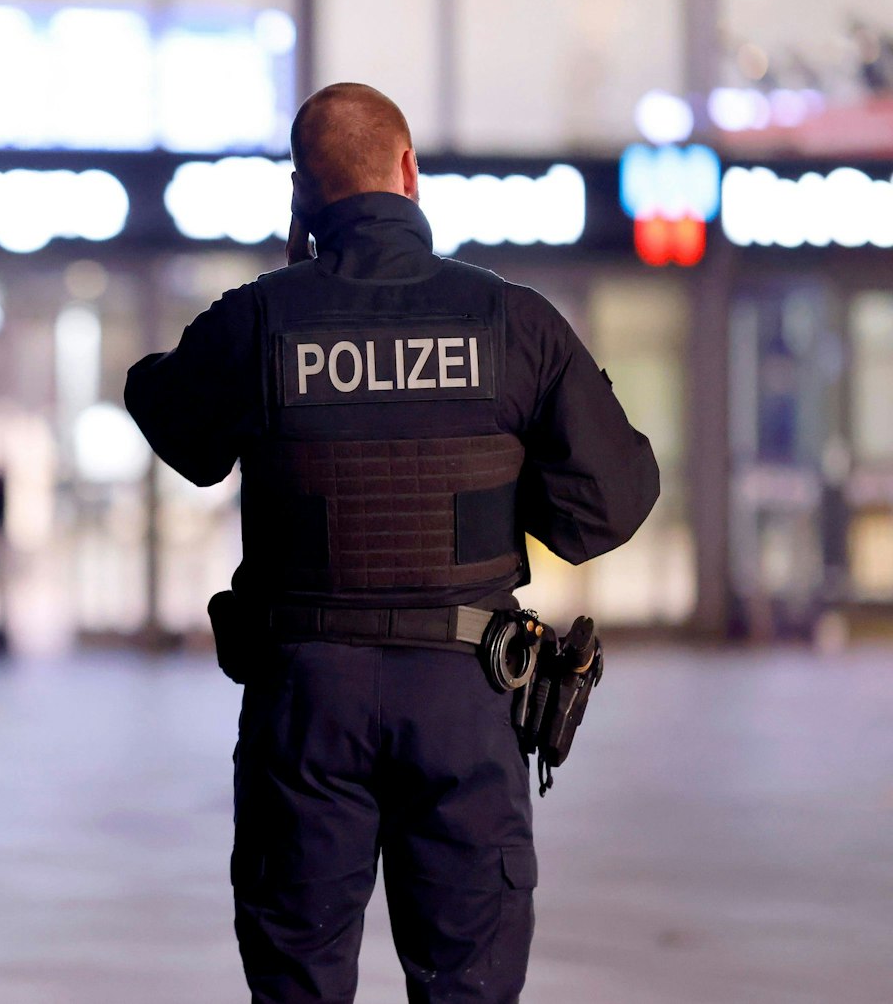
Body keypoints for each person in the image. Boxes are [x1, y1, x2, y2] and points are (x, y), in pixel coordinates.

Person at [125, 83, 660, 1003]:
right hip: (466, 689)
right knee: (466, 982)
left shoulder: (262, 318)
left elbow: (168, 415)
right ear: (409, 170)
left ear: (302, 195)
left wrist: (288, 276)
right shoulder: (512, 321)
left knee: (299, 978)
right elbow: (611, 501)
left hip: (306, 700)